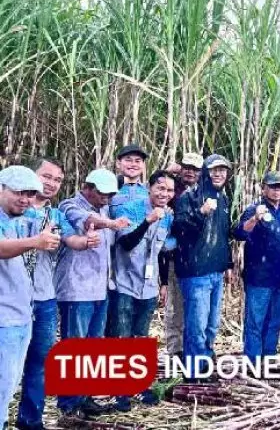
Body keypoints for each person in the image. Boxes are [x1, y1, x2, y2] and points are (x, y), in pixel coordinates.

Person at [57, 169, 126, 415]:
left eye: (109, 195)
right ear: (87, 187)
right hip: (77, 288)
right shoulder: (69, 205)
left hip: (100, 288)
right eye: (102, 194)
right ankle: (68, 403)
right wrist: (111, 224)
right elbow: (86, 220)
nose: (106, 199)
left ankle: (84, 397)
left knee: (92, 348)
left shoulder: (104, 208)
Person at [16, 158, 78, 430]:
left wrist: (85, 240)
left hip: (43, 298)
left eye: (58, 180)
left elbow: (71, 239)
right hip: (10, 299)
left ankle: (31, 421)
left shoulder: (56, 216)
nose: (52, 183)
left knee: (40, 360)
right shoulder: (12, 210)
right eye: (47, 176)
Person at [108, 170, 175, 411]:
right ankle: (120, 390)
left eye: (169, 190)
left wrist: (164, 283)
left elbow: (161, 253)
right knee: (122, 338)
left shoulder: (168, 217)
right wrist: (147, 220)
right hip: (125, 284)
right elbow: (125, 244)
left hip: (148, 287)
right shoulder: (133, 208)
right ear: (150, 187)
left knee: (139, 338)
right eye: (160, 188)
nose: (164, 194)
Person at [0, 166, 59, 429]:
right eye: (18, 193)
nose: (24, 199)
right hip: (4, 318)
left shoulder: (22, 218)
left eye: (29, 194)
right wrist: (36, 241)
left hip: (22, 313)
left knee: (8, 385)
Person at [172, 154, 234, 381]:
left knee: (211, 325)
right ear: (205, 172)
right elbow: (179, 229)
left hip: (216, 271)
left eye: (223, 170)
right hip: (195, 272)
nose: (218, 174)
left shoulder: (223, 199)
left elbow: (223, 234)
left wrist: (228, 264)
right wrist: (201, 213)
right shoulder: (190, 196)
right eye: (214, 170)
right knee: (196, 325)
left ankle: (204, 364)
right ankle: (194, 371)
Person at [234, 171, 280, 362]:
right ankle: (252, 361)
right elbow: (238, 233)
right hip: (259, 277)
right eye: (272, 187)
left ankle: (269, 358)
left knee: (275, 322)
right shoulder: (255, 209)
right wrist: (254, 219)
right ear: (264, 188)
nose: (276, 191)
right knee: (255, 322)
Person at [162, 152, 203, 359]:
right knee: (175, 306)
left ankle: (193, 347)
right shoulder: (172, 190)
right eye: (187, 167)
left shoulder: (203, 193)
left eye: (195, 169)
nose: (190, 172)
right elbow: (155, 187)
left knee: (196, 305)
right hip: (175, 257)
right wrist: (165, 171)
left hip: (198, 260)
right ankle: (174, 349)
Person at [110, 144, 150, 218]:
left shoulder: (150, 191)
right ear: (118, 163)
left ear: (143, 165)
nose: (133, 164)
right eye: (128, 160)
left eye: (137, 161)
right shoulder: (108, 190)